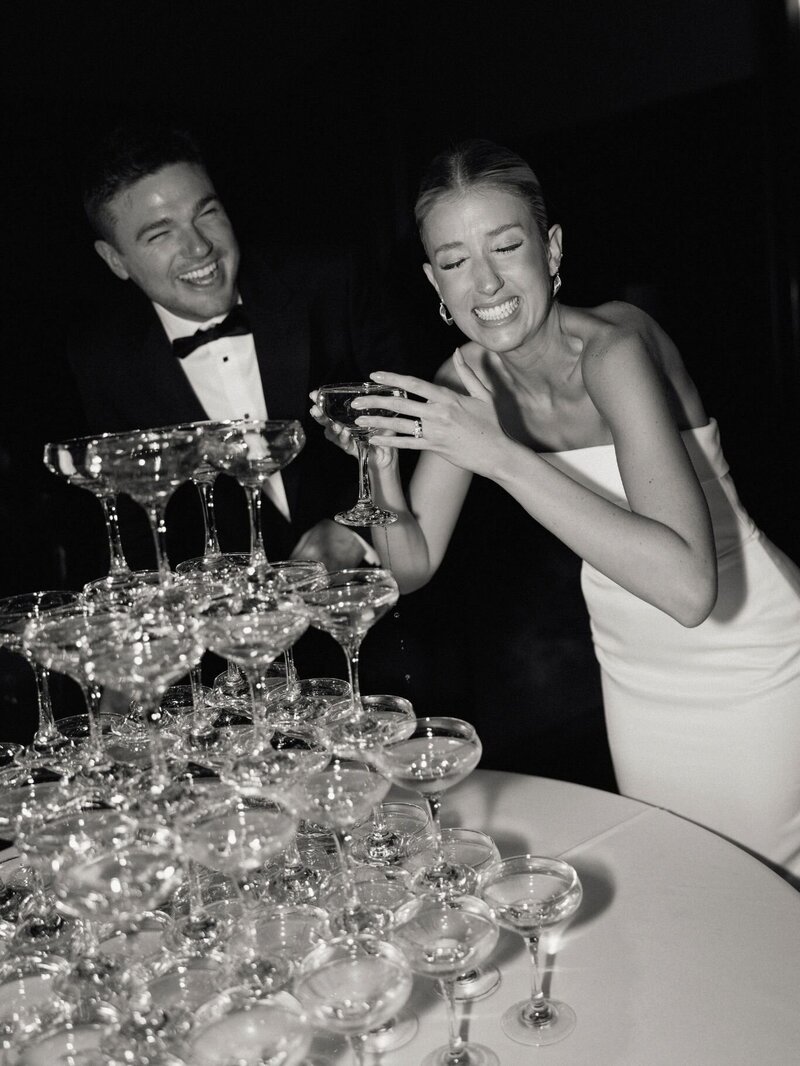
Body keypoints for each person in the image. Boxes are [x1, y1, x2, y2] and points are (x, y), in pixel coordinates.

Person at [313, 139, 800, 881]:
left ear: (552, 248)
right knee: (686, 881)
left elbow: (689, 589)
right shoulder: (465, 378)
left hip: (754, 658)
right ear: (433, 283)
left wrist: (500, 454)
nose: (485, 282)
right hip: (635, 672)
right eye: (454, 261)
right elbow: (410, 568)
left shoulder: (617, 347)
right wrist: (376, 458)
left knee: (770, 895)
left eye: (505, 246)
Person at [61, 123, 411, 684]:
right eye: (159, 234)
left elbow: (417, 420)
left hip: (386, 631)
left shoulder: (331, 280)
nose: (198, 247)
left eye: (207, 212)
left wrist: (352, 531)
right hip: (230, 674)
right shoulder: (102, 360)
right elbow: (123, 529)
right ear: (115, 259)